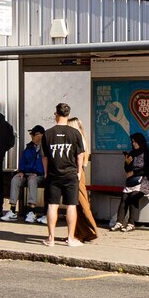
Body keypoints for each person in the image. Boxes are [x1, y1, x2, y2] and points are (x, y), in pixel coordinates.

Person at [42, 102, 86, 247]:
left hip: (54, 174)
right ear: (68, 115)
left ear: (57, 114)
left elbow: (45, 157)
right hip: (71, 174)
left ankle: (51, 238)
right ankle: (71, 238)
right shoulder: (75, 133)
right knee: (71, 206)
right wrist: (79, 171)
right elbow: (80, 155)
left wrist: (46, 172)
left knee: (52, 205)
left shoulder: (48, 133)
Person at [113, 131, 149, 231]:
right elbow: (127, 169)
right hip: (133, 181)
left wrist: (134, 173)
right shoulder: (132, 153)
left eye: (135, 142)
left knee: (134, 196)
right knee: (124, 196)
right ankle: (119, 222)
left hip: (145, 180)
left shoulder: (148, 154)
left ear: (141, 142)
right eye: (132, 142)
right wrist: (127, 163)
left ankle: (131, 223)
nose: (133, 144)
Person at [68, 112, 99, 243]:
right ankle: (78, 232)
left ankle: (90, 230)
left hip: (77, 172)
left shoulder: (77, 140)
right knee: (76, 204)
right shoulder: (82, 139)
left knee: (80, 203)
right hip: (79, 172)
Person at [13, 126, 47, 221]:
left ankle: (32, 210)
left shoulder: (46, 147)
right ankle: (12, 210)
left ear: (41, 135)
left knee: (32, 180)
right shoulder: (29, 147)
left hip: (40, 175)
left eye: (34, 134)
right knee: (15, 179)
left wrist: (37, 172)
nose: (32, 137)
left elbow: (44, 163)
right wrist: (21, 171)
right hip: (27, 173)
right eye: (31, 134)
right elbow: (23, 161)